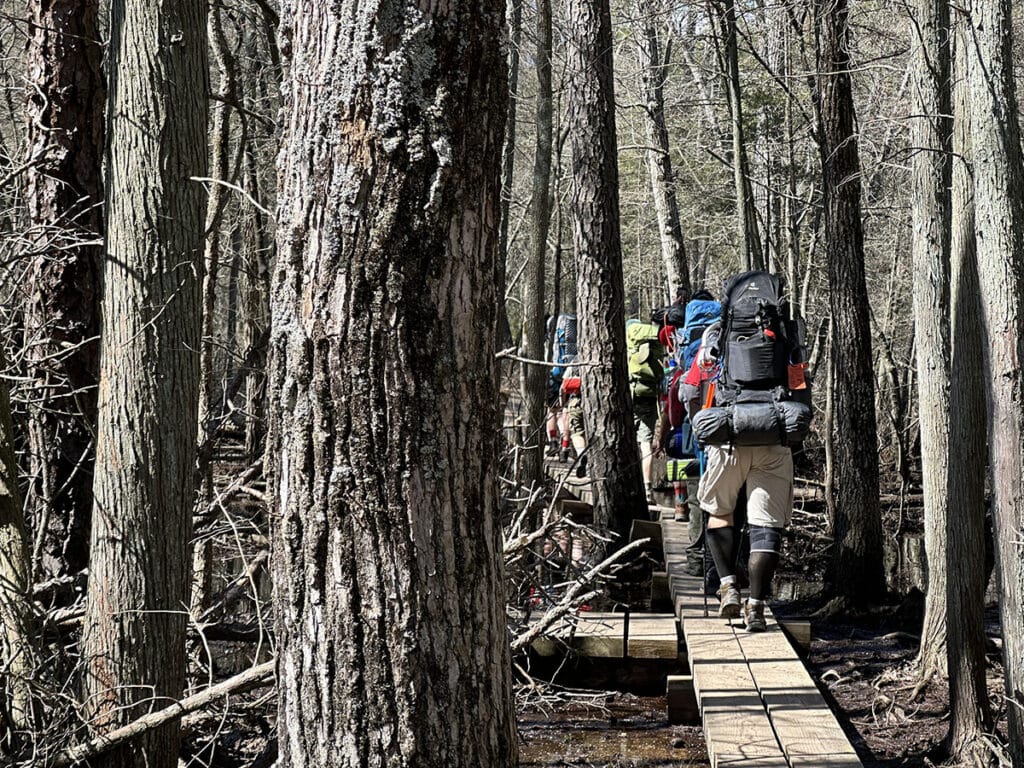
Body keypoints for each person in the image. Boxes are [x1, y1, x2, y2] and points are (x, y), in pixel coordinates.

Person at [682, 322, 793, 632]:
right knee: (765, 525)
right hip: (773, 437)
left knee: (720, 511)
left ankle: (728, 585)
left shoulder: (717, 336)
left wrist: (702, 427)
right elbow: (800, 386)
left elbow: (691, 388)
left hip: (728, 437)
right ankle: (756, 607)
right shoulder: (783, 336)